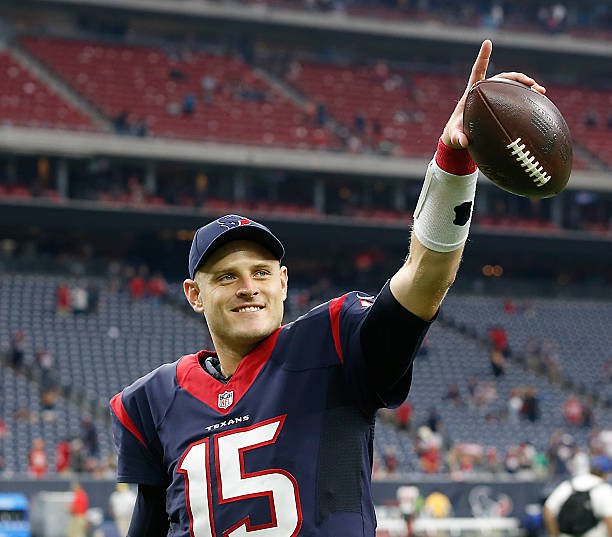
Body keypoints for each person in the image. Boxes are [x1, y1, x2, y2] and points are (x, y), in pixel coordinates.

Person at [110, 40, 545, 536]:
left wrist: (452, 163)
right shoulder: (156, 399)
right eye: (226, 277)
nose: (248, 287)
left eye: (261, 272)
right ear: (194, 294)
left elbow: (426, 276)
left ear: (283, 282)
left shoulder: (332, 344)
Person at [543, 459, 612, 537]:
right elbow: (610, 519)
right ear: (606, 473)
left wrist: (554, 534)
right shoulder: (605, 489)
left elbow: (548, 509)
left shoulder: (570, 483)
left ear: (590, 468)